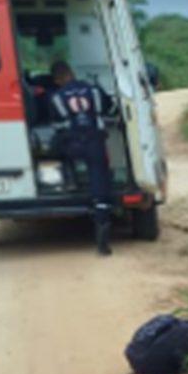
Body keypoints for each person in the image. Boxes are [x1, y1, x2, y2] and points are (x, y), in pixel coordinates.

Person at [48, 61, 119, 256]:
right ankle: (103, 244)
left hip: (73, 146)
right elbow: (112, 109)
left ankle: (69, 178)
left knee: (55, 149)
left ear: (56, 80)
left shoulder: (55, 97)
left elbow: (55, 126)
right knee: (100, 191)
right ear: (72, 72)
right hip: (96, 144)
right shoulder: (94, 90)